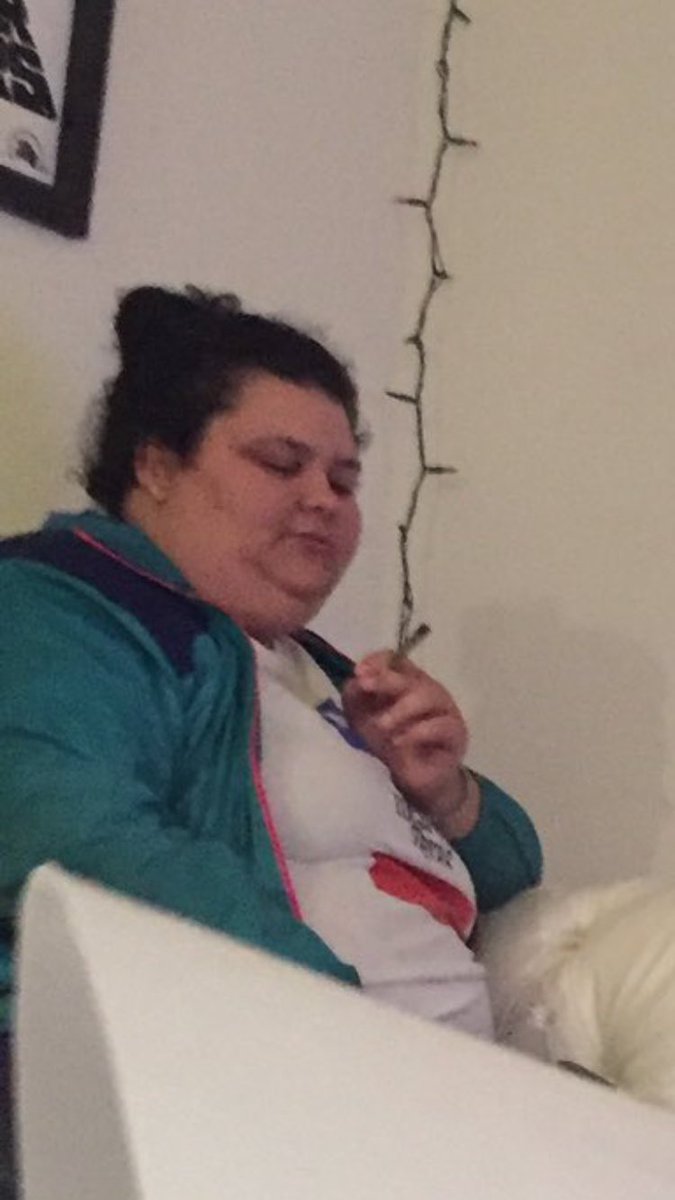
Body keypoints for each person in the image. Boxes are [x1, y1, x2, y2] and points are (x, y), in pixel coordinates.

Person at [0, 286, 542, 1189]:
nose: (322, 500)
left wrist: (445, 792)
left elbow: (515, 872)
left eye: (343, 480)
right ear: (157, 465)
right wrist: (340, 1031)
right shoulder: (61, 604)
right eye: (281, 463)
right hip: (260, 1100)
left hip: (428, 1117)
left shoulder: (323, 672)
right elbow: (66, 834)